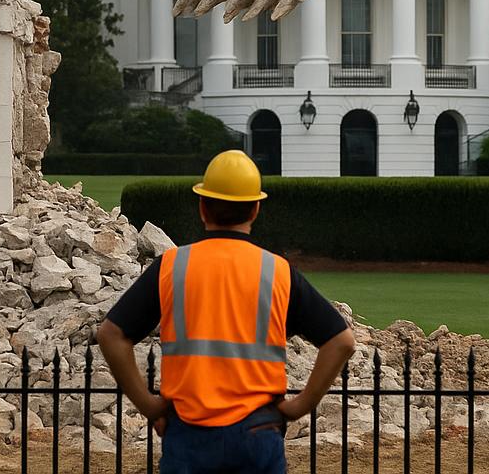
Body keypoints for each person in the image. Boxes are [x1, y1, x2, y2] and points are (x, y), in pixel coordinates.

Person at [97, 149, 356, 474]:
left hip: (188, 432)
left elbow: (111, 335)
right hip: (258, 433)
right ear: (256, 208)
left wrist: (149, 406)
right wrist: (299, 405)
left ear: (203, 206)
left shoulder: (173, 266)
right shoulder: (277, 271)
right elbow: (341, 341)